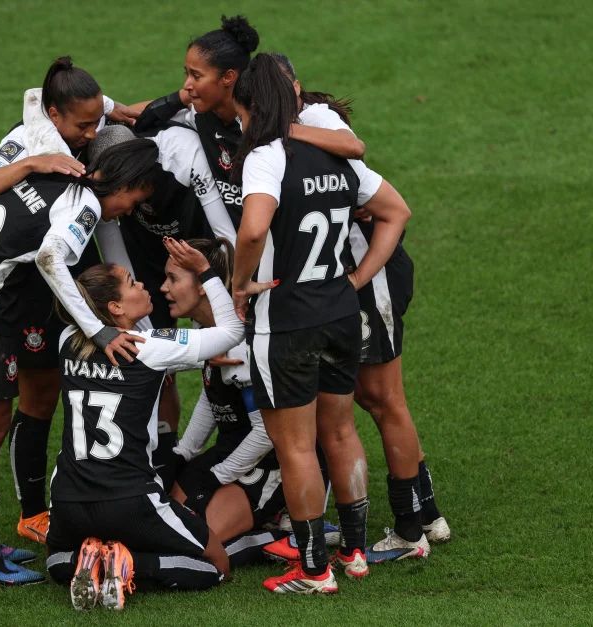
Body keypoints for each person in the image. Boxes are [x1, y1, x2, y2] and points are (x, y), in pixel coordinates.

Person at [0, 138, 158, 584]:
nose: (129, 211)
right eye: (135, 200)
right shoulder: (85, 206)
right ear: (126, 183)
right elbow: (52, 259)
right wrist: (98, 327)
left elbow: (36, 98)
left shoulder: (57, 176)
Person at [229, 54, 412, 593]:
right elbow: (396, 211)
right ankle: (354, 551)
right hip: (338, 312)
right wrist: (355, 281)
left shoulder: (265, 157)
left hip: (285, 321)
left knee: (296, 447)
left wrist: (240, 282)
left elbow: (254, 229)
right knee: (341, 430)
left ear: (250, 107)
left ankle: (312, 570)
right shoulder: (333, 154)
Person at [272, 53, 451, 560]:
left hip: (369, 277)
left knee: (381, 400)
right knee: (377, 402)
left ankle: (411, 531)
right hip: (363, 278)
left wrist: (354, 280)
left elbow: (373, 193)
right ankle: (427, 512)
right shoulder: (303, 125)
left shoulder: (313, 125)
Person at [0, 57, 143, 545]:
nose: (90, 132)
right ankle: (30, 512)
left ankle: (22, 514)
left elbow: (82, 104)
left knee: (48, 396)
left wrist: (115, 108)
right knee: (31, 400)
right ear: (54, 115)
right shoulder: (27, 140)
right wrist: (31, 163)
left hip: (57, 279)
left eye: (94, 122)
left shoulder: (83, 127)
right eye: (82, 124)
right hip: (22, 289)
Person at [45, 239, 275, 610]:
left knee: (56, 561)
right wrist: (206, 271)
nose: (145, 286)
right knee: (218, 565)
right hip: (130, 499)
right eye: (133, 283)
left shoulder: (66, 340)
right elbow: (232, 331)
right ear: (116, 307)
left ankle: (89, 559)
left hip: (68, 498)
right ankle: (133, 563)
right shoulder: (149, 345)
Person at [87, 124, 237, 488]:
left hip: (202, 250)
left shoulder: (182, 157)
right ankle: (163, 461)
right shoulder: (105, 195)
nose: (121, 204)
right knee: (161, 368)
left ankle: (181, 462)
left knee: (227, 358)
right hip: (147, 260)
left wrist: (224, 292)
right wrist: (154, 342)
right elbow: (119, 267)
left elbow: (226, 236)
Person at [135, 15, 364, 229]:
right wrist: (179, 97)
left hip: (285, 244)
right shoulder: (200, 115)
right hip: (246, 248)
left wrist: (281, 129)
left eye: (196, 76)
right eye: (186, 74)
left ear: (228, 77)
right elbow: (142, 117)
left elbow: (353, 147)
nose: (187, 83)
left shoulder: (269, 119)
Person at [161, 238, 290, 566]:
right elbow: (211, 392)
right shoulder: (204, 326)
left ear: (203, 288)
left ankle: (289, 533)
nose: (163, 287)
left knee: (199, 544)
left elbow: (266, 433)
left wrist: (218, 475)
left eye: (173, 279)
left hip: (268, 460)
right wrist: (183, 453)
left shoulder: (240, 343)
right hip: (231, 449)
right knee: (169, 525)